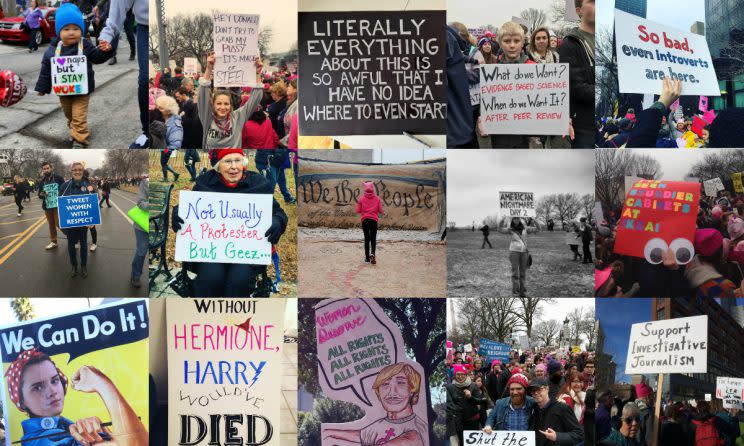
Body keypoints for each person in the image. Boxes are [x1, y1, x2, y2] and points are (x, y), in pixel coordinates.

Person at [170, 149, 287, 297]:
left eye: (237, 160)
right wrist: (178, 212)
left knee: (239, 281)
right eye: (227, 161)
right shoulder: (205, 182)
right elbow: (190, 208)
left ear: (243, 163)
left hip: (246, 254)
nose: (234, 166)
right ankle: (206, 316)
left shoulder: (258, 183)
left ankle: (234, 318)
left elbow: (278, 212)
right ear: (218, 165)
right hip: (210, 252)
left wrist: (277, 221)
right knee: (210, 279)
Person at [4, 347, 148, 445]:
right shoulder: (42, 441)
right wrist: (103, 384)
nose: (52, 391)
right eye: (38, 387)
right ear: (21, 401)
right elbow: (136, 443)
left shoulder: (66, 427)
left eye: (54, 380)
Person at [34, 3, 112, 148]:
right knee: (69, 114)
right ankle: (76, 130)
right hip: (64, 91)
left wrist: (106, 50)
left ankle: (80, 139)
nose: (71, 32)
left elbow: (97, 57)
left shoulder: (86, 45)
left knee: (79, 115)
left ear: (81, 30)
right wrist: (42, 87)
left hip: (82, 90)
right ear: (59, 31)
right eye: (66, 29)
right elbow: (46, 69)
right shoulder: (53, 50)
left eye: (76, 29)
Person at [324, 363, 427, 446]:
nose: (392, 392)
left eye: (400, 383)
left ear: (412, 390)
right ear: (378, 392)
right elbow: (360, 435)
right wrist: (328, 433)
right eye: (385, 384)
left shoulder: (417, 430)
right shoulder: (380, 424)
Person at [97, 0, 148, 148]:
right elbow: (120, 4)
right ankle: (147, 132)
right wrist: (108, 32)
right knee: (145, 80)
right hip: (145, 25)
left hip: (168, 19)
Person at [197, 52, 263, 149]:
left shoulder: (238, 117)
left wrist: (257, 73)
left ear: (231, 105)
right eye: (219, 103)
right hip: (213, 161)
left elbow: (255, 98)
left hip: (233, 161)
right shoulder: (208, 118)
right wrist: (209, 68)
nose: (223, 107)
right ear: (213, 105)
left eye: (226, 104)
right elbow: (202, 95)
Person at [490, 21, 537, 148]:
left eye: (516, 41)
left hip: (528, 132)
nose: (512, 45)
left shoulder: (534, 68)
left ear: (523, 43)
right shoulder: (492, 72)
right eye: (507, 41)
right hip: (500, 133)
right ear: (500, 43)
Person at [558, 0, 595, 148]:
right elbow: (577, 88)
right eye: (592, 2)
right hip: (585, 128)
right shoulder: (570, 44)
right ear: (579, 11)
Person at [60, 162, 94, 278]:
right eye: (75, 169)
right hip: (70, 225)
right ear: (71, 171)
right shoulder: (65, 186)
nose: (77, 171)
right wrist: (62, 221)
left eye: (80, 169)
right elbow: (61, 205)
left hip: (83, 224)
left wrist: (92, 220)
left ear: (83, 171)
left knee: (84, 245)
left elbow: (92, 205)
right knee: (71, 246)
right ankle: (74, 266)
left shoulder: (88, 186)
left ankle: (83, 266)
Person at [527, 377, 584, 446]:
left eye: (539, 389)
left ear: (547, 389)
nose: (535, 393)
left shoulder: (562, 408)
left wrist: (557, 437)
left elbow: (578, 434)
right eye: (533, 391)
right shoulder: (533, 409)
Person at [446, 364, 481, 446]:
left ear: (466, 375)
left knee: (473, 443)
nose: (460, 376)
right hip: (458, 422)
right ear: (455, 375)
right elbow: (449, 404)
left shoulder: (473, 385)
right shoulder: (450, 387)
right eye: (458, 374)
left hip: (472, 421)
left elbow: (480, 401)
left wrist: (470, 397)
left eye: (462, 374)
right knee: (461, 443)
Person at [38, 162, 65, 250]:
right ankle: (54, 241)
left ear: (51, 168)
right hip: (47, 205)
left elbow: (64, 189)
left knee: (59, 223)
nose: (46, 170)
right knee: (51, 224)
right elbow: (39, 194)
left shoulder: (58, 178)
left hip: (57, 205)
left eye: (47, 168)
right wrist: (42, 194)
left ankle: (72, 237)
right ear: (43, 170)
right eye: (44, 169)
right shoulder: (42, 181)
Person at [356, 182, 383, 264]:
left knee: (367, 239)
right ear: (372, 189)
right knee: (373, 238)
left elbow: (358, 211)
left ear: (365, 189)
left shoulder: (361, 199)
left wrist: (364, 209)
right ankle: (373, 253)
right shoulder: (377, 198)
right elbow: (381, 211)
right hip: (374, 221)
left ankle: (367, 258)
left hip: (365, 220)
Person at [175, 87, 203, 152]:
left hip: (192, 136)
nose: (193, 96)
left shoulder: (192, 104)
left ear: (184, 95)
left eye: (178, 96)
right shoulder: (184, 103)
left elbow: (193, 121)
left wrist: (181, 118)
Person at [509, 217, 529, 297]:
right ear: (512, 220)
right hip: (514, 252)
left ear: (519, 220)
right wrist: (502, 221)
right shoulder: (510, 229)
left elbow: (538, 229)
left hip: (524, 252)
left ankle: (522, 290)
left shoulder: (525, 229)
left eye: (517, 218)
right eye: (514, 219)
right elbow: (499, 230)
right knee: (515, 272)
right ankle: (515, 290)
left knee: (523, 272)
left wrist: (533, 220)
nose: (516, 220)